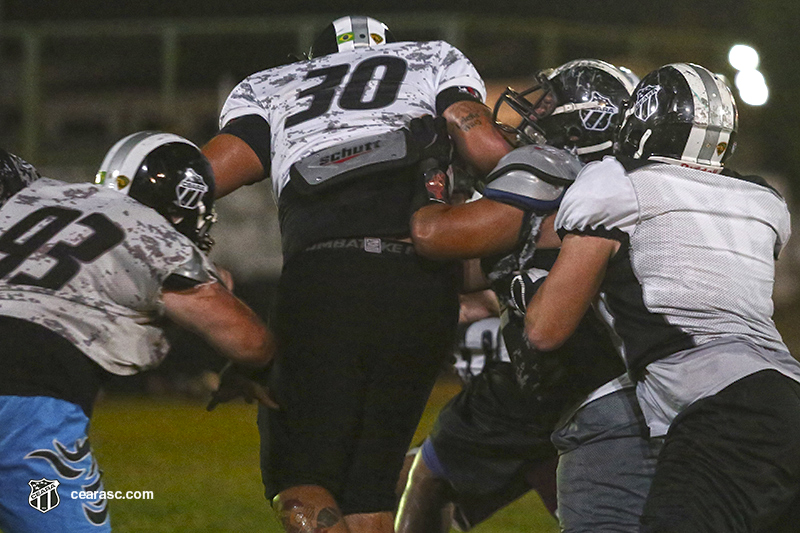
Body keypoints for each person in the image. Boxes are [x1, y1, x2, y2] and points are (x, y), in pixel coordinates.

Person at [201, 15, 510, 533]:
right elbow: (479, 141)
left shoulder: (269, 84)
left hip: (327, 277)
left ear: (317, 59)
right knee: (370, 488)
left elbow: (205, 175)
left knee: (299, 482)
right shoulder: (431, 57)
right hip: (423, 283)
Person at [525, 62, 800, 532]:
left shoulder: (614, 181)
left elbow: (545, 330)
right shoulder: (762, 199)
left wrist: (530, 287)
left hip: (721, 410)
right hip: (786, 392)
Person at [398, 59, 651, 533]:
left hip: (567, 376)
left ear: (583, 120)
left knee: (433, 474)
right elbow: (478, 270)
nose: (537, 110)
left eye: (551, 101)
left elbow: (435, 237)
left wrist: (433, 182)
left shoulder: (551, 169)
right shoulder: (626, 180)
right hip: (604, 374)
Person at [0, 131, 275, 533]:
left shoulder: (33, 197)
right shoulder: (152, 231)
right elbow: (249, 342)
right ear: (184, 205)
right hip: (27, 402)